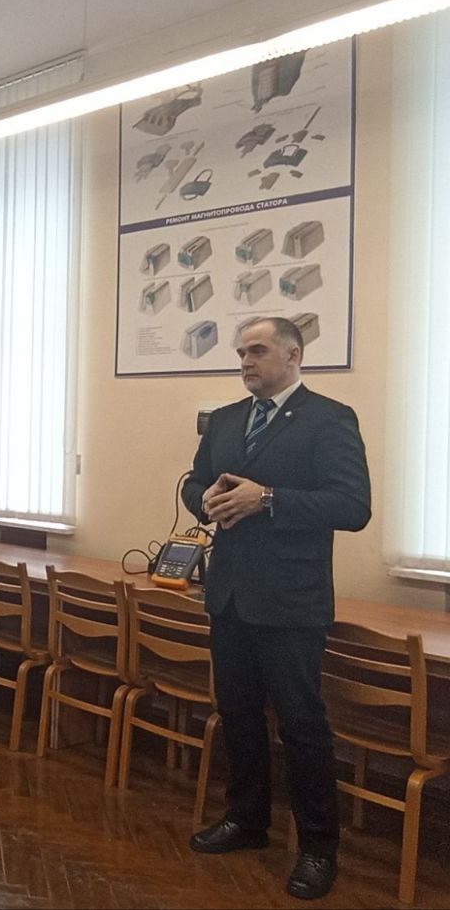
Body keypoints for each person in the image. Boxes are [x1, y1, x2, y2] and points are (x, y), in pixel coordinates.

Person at [182, 317, 371, 901]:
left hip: (291, 602)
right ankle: (247, 820)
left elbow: (352, 506)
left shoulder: (329, 418)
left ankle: (317, 847)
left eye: (258, 350)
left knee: (301, 726)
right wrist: (204, 499)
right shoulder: (225, 419)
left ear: (293, 354)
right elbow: (193, 482)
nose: (246, 361)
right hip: (230, 595)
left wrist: (267, 498)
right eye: (241, 352)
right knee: (238, 714)